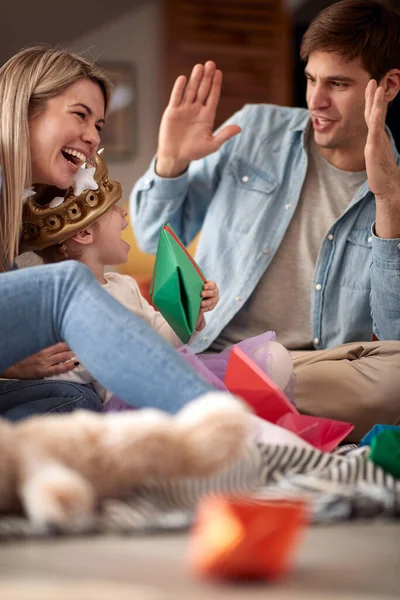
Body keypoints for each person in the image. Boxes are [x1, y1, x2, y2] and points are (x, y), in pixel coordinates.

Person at [130, 0, 400, 440]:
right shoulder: (254, 128)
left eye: (338, 83)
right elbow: (147, 234)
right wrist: (171, 161)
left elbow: (392, 335)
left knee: (397, 376)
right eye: (311, 79)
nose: (316, 100)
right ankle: (245, 407)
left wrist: (388, 201)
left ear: (387, 86)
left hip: (312, 367)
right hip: (217, 349)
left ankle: (200, 401)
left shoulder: (396, 187)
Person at [0, 45, 233, 420]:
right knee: (67, 284)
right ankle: (217, 423)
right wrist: (10, 361)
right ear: (24, 109)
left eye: (99, 126)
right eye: (80, 115)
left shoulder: (8, 212)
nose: (92, 137)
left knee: (77, 400)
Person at [19, 150, 219, 405]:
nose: (125, 214)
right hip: (125, 405)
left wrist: (192, 312)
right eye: (113, 209)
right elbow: (61, 369)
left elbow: (163, 339)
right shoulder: (58, 305)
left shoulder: (125, 285)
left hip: (158, 386)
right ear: (84, 234)